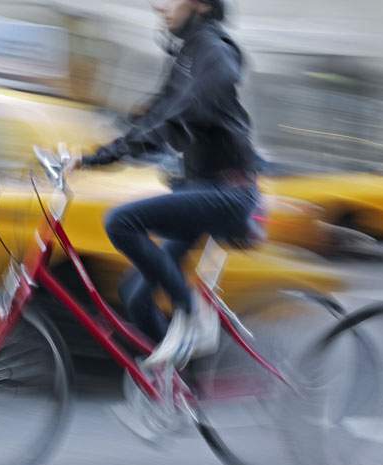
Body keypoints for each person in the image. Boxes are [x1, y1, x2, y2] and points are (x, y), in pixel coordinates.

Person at [77, 0, 260, 360]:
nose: (158, 6)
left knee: (122, 221)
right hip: (200, 189)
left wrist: (111, 155)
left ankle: (191, 316)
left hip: (229, 194)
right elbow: (158, 113)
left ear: (202, 6)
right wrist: (94, 155)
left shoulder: (215, 53)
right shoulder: (187, 55)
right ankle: (177, 389)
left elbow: (182, 116)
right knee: (136, 296)